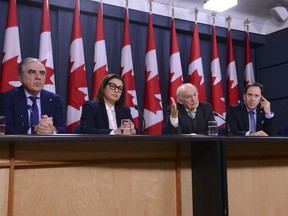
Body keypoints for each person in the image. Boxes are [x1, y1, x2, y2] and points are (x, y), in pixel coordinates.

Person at [0, 57, 66, 135]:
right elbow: (6, 128)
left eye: (42, 73)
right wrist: (34, 129)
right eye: (32, 72)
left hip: (48, 146)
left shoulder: (55, 99)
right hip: (19, 146)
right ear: (20, 78)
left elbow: (63, 129)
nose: (38, 77)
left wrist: (53, 130)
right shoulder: (7, 98)